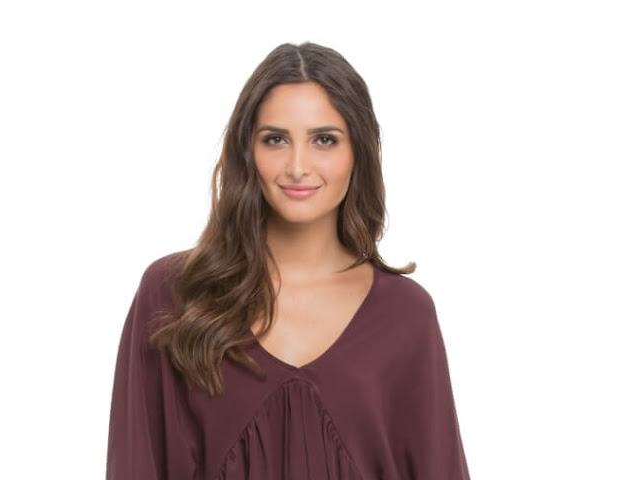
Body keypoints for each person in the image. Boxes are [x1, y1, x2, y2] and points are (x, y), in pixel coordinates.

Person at [106, 41, 471, 480]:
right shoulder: (174, 293)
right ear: (248, 151)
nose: (298, 166)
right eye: (276, 139)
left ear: (358, 151)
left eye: (324, 140)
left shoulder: (405, 314)